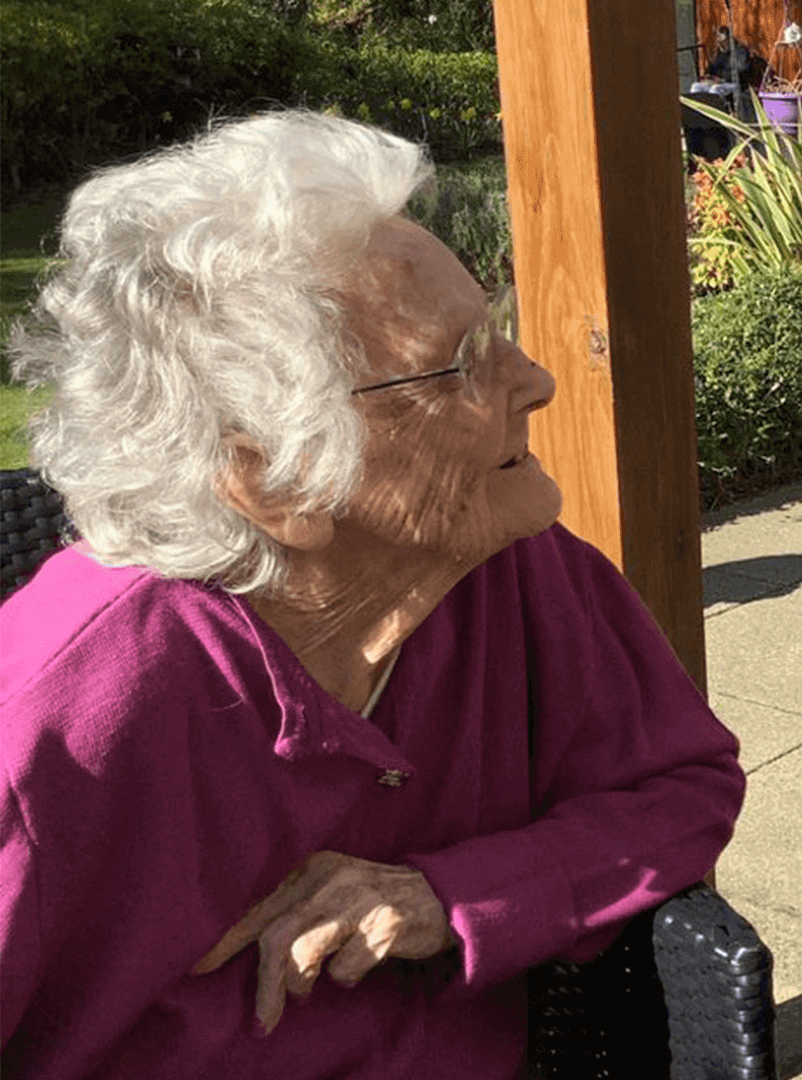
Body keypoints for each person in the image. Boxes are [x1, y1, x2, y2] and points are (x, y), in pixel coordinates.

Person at [0, 112, 746, 1077]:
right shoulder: (55, 726)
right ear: (275, 481)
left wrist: (457, 896)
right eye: (463, 363)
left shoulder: (514, 568)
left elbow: (683, 787)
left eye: (499, 330)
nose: (538, 381)